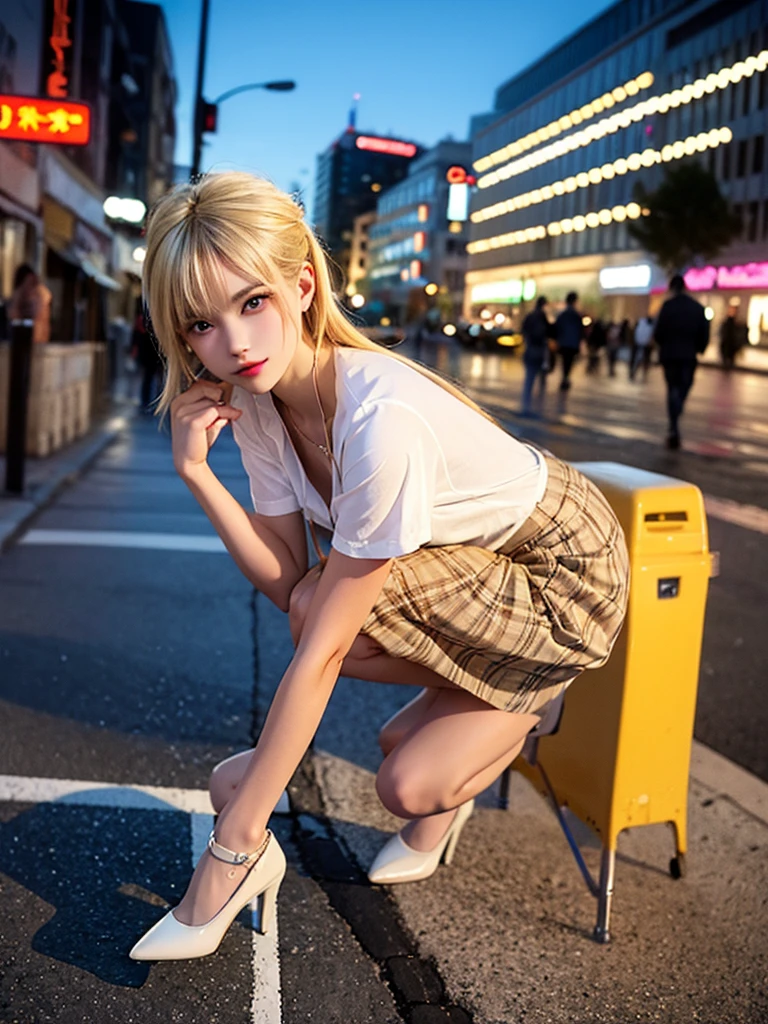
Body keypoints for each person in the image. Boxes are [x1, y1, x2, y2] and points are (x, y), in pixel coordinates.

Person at [128, 172, 629, 963]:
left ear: (301, 285)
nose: (235, 343)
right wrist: (196, 474)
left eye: (252, 302)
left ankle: (538, 693)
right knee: (327, 633)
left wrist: (238, 836)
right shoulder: (257, 403)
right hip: (465, 576)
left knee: (406, 779)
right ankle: (481, 691)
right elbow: (286, 577)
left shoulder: (378, 418)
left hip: (561, 573)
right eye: (201, 324)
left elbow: (324, 643)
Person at [653, 274, 710, 449]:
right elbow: (704, 333)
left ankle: (673, 422)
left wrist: (662, 345)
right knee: (684, 386)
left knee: (672, 388)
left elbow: (658, 332)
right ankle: (676, 413)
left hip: (670, 354)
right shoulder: (697, 308)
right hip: (688, 355)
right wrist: (699, 349)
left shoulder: (668, 307)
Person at [520, 296, 552, 415]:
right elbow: (549, 332)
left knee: (530, 378)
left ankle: (526, 405)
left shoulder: (530, 316)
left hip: (530, 349)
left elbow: (523, 330)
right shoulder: (543, 317)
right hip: (540, 351)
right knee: (541, 379)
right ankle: (538, 405)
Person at [7, 263, 52, 343]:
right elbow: (12, 316)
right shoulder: (19, 296)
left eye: (31, 282)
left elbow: (37, 312)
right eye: (26, 283)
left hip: (38, 341)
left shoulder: (41, 294)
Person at [131, 304, 164, 412]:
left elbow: (135, 337)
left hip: (146, 354)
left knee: (148, 379)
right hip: (155, 354)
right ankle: (156, 402)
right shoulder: (158, 321)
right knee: (158, 379)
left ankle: (146, 401)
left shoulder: (141, 320)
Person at [554, 291, 585, 391]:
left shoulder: (563, 314)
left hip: (563, 342)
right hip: (572, 344)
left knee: (564, 361)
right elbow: (580, 331)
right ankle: (566, 378)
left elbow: (557, 328)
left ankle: (564, 377)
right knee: (569, 362)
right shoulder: (576, 315)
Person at [630, 316, 654, 381]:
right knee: (640, 361)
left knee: (641, 361)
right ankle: (636, 374)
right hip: (641, 345)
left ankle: (638, 374)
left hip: (643, 345)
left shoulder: (641, 323)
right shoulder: (645, 324)